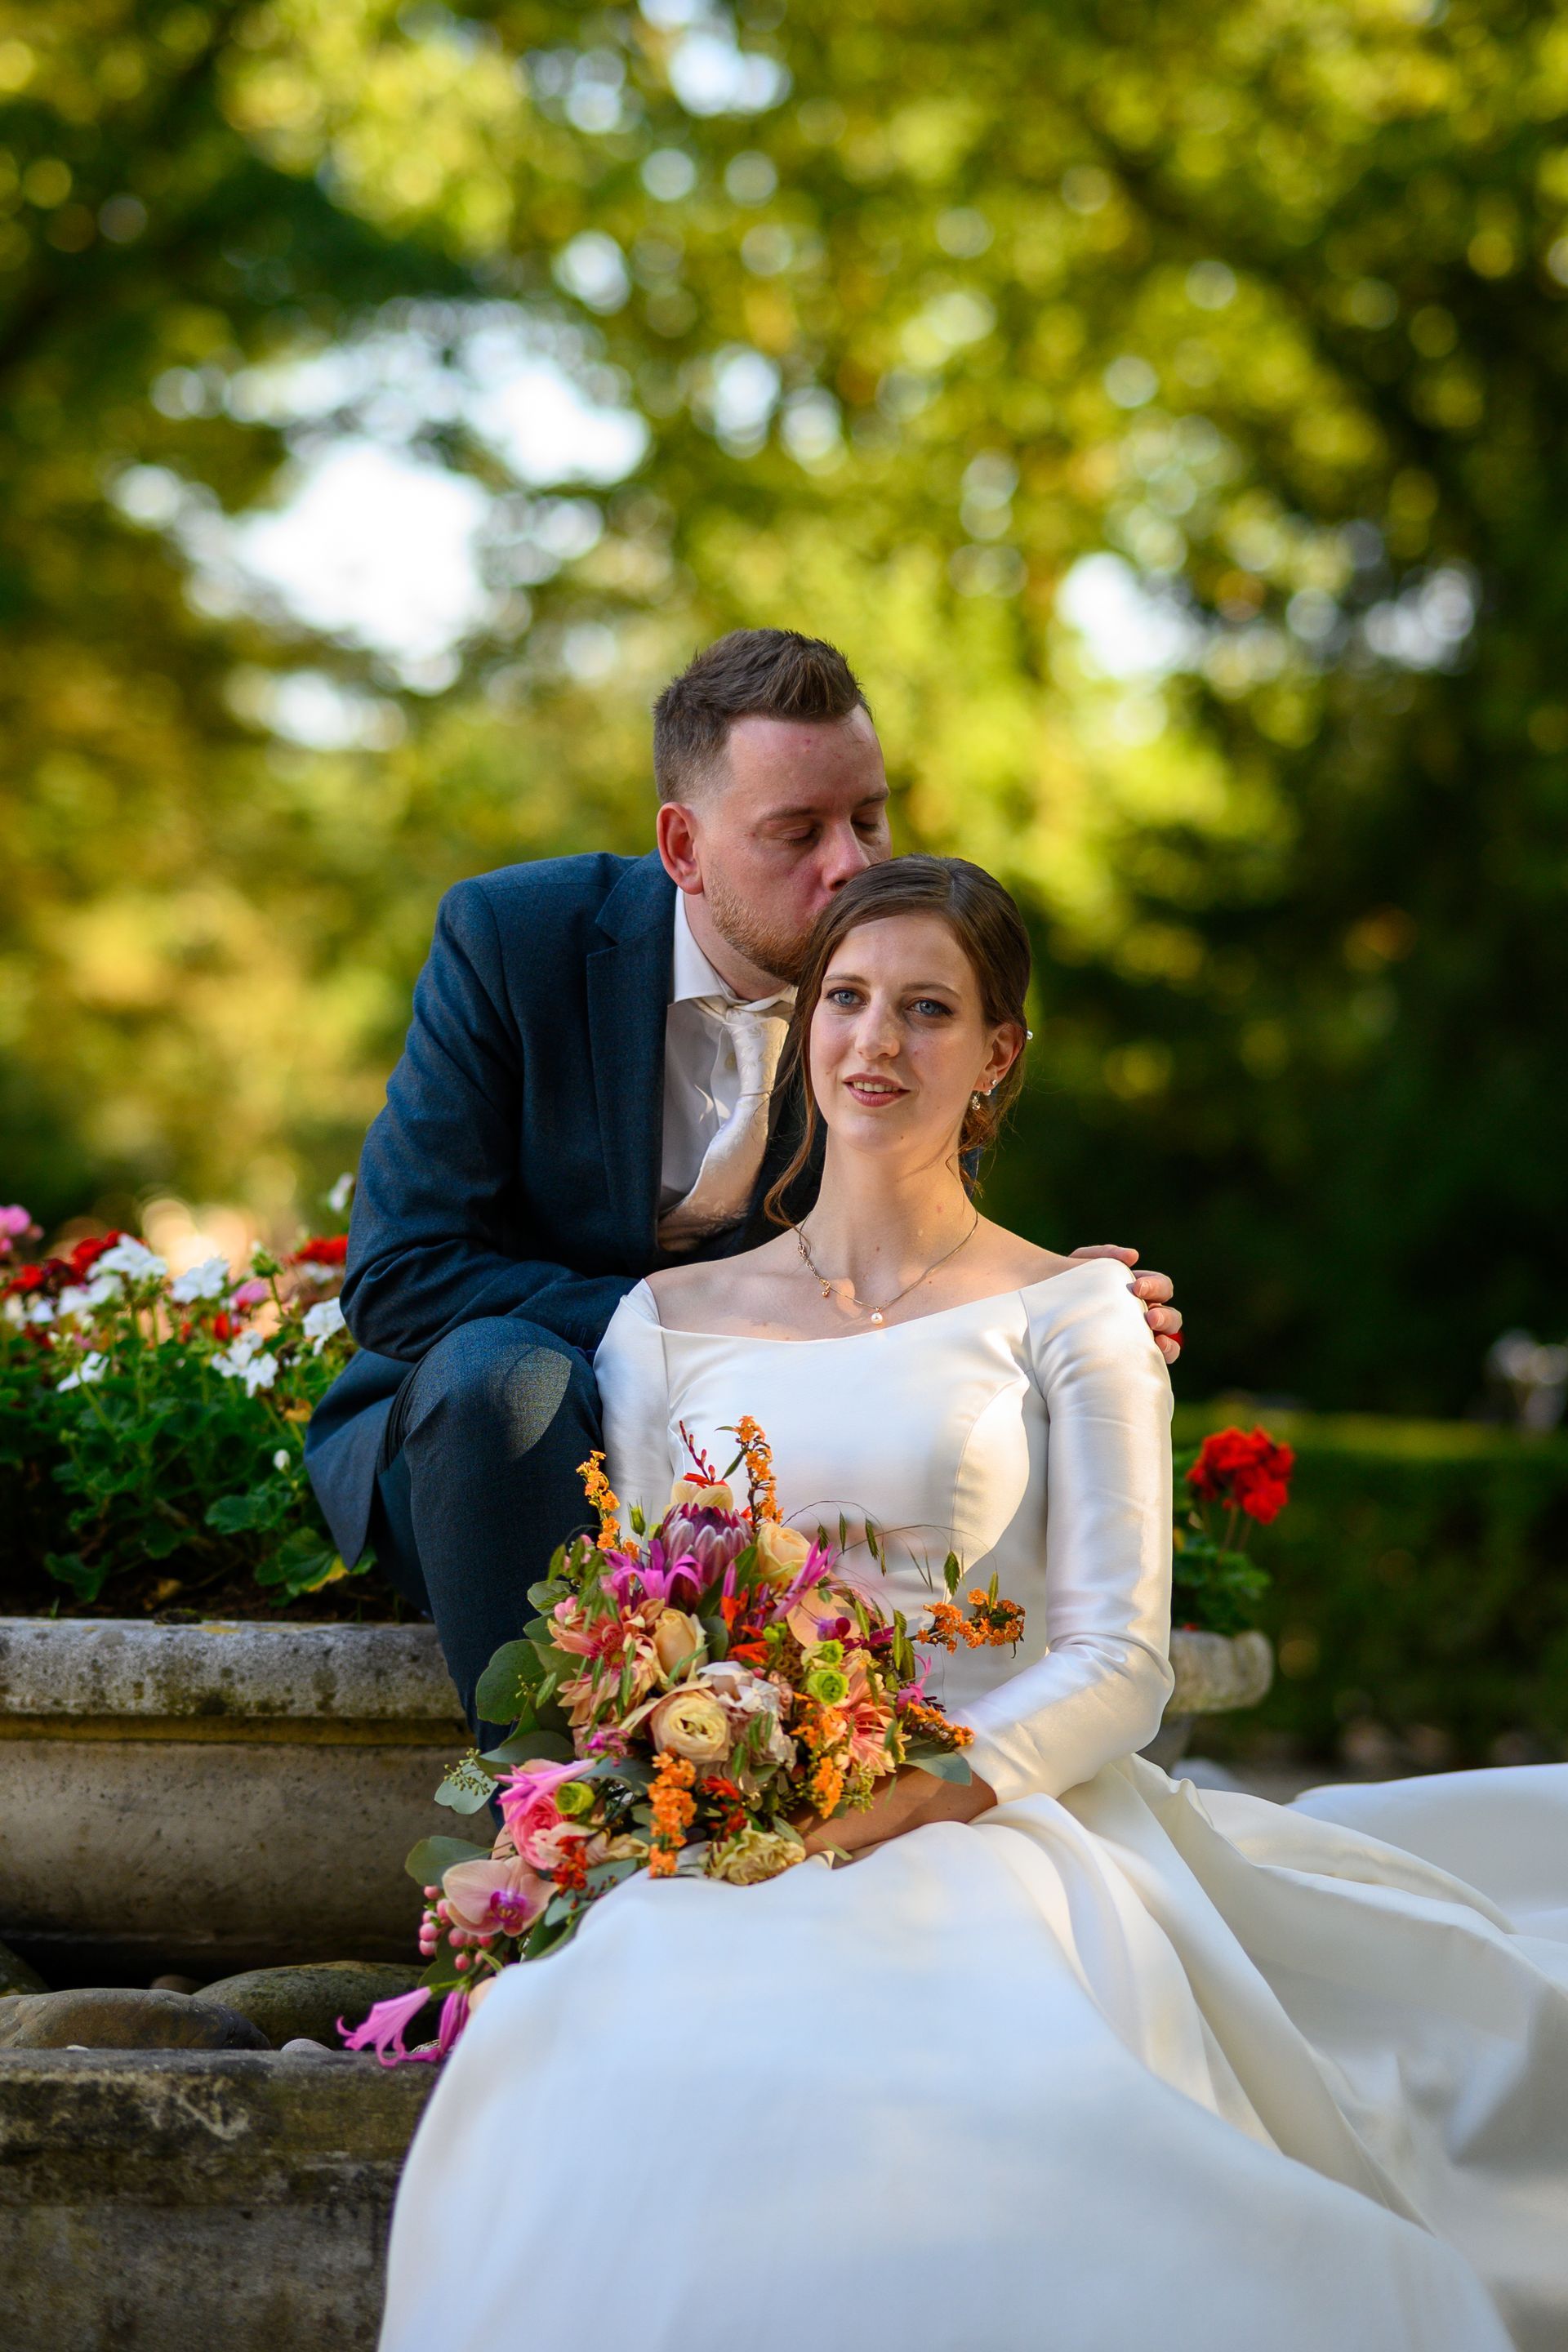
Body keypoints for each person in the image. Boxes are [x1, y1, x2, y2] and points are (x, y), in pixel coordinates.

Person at [377, 856, 1568, 2352]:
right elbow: (640, 1608)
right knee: (604, 2049)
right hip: (736, 1830)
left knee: (1007, 2087)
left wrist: (899, 1802)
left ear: (997, 1054)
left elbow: (1121, 1662)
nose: (878, 1043)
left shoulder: (1077, 1310)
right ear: (805, 1028)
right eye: (851, 1002)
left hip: (1003, 1815)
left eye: (929, 1010)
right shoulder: (655, 1327)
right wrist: (682, 1788)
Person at [305, 630, 1182, 1735]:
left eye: (868, 816)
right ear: (684, 846)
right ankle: (552, 1843)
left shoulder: (883, 997)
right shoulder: (511, 939)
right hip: (498, 1447)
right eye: (796, 833)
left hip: (742, 1449)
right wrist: (681, 1323)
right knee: (502, 1375)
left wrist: (1041, 1299)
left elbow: (899, 1241)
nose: (851, 866)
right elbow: (400, 1277)